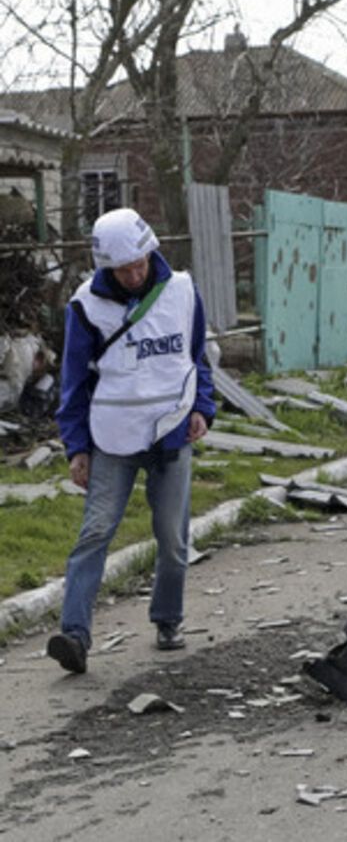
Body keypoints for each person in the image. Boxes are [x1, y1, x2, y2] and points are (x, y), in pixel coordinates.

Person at [49, 207, 216, 674]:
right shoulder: (86, 306)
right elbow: (73, 383)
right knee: (96, 531)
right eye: (124, 269)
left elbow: (197, 354)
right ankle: (75, 635)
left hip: (172, 431)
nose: (135, 274)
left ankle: (167, 621)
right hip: (112, 438)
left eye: (141, 263)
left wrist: (203, 408)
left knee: (173, 539)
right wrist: (76, 448)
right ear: (107, 267)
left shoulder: (182, 290)